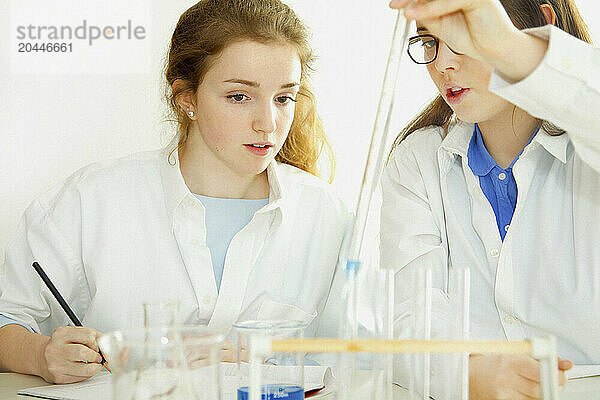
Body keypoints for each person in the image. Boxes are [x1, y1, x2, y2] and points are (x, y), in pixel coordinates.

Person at [0, 0, 350, 384]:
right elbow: (7, 319)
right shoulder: (88, 200)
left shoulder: (328, 217)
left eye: (283, 98)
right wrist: (39, 355)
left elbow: (363, 357)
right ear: (187, 98)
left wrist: (272, 362)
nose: (268, 123)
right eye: (239, 96)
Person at [381, 0, 599, 398]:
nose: (443, 64)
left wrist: (510, 48)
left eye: (465, 35)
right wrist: (466, 372)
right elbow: (408, 313)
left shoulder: (589, 147)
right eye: (429, 41)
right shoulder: (418, 159)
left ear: (541, 24)